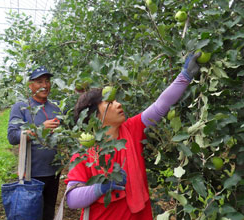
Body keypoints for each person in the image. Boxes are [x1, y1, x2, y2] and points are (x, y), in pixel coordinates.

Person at [65, 52, 202, 220]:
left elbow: (160, 106)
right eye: (110, 102)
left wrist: (185, 76)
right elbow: (72, 199)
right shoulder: (84, 153)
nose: (118, 103)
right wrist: (101, 187)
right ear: (94, 116)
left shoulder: (131, 129)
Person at [7, 66, 61, 220]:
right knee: (31, 213)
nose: (45, 85)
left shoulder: (56, 107)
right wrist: (39, 130)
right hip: (32, 173)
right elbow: (12, 136)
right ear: (30, 85)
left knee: (48, 211)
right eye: (39, 81)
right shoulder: (22, 107)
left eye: (47, 81)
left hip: (54, 172)